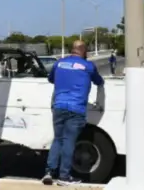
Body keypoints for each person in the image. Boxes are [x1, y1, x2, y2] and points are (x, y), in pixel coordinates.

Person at [42, 40, 104, 186]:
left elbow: (51, 79)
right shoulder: (88, 66)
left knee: (57, 139)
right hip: (76, 108)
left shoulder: (59, 63)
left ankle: (49, 172)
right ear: (84, 51)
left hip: (59, 106)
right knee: (69, 141)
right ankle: (64, 176)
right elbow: (99, 81)